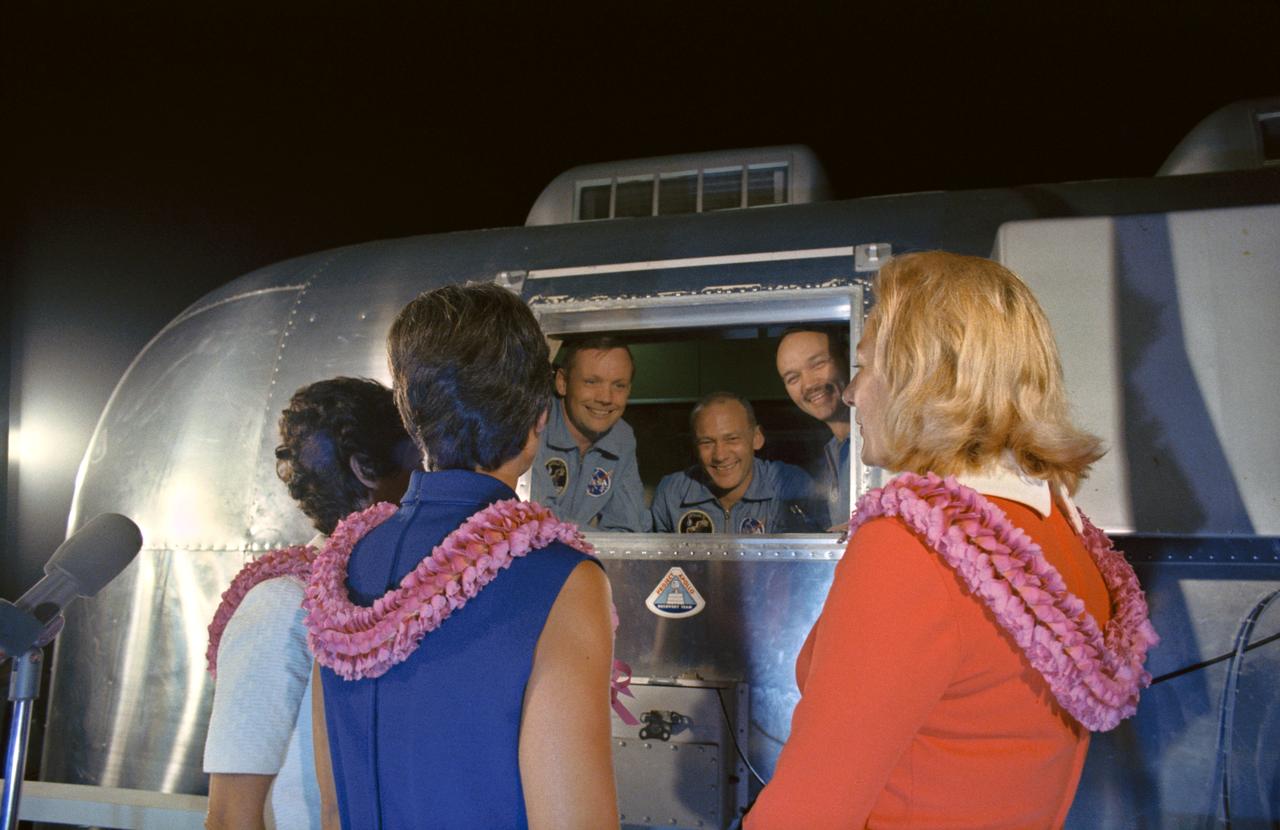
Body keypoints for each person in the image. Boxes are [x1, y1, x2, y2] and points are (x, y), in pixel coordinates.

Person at [744, 252, 1159, 829]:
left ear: (925, 374)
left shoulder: (912, 548)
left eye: (864, 365)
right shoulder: (1059, 532)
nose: (853, 392)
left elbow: (805, 813)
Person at [306, 283, 618, 829]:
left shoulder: (339, 569)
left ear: (410, 414)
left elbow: (332, 810)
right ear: (539, 417)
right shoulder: (561, 578)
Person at [204, 377, 420, 830]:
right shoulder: (281, 605)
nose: (424, 481)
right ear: (365, 468)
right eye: (413, 462)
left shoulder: (400, 595)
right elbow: (230, 818)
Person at [651, 391, 822, 534]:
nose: (720, 455)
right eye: (707, 442)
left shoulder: (789, 484)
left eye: (732, 439)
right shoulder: (672, 493)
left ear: (756, 438)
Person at [531, 334, 648, 531]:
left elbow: (628, 527)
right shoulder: (533, 424)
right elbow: (537, 519)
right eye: (591, 382)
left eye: (618, 385)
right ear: (562, 383)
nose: (606, 398)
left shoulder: (622, 437)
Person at [775, 326, 851, 529]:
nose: (808, 384)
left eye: (818, 364)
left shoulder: (884, 445)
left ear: (847, 356)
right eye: (793, 378)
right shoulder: (834, 449)